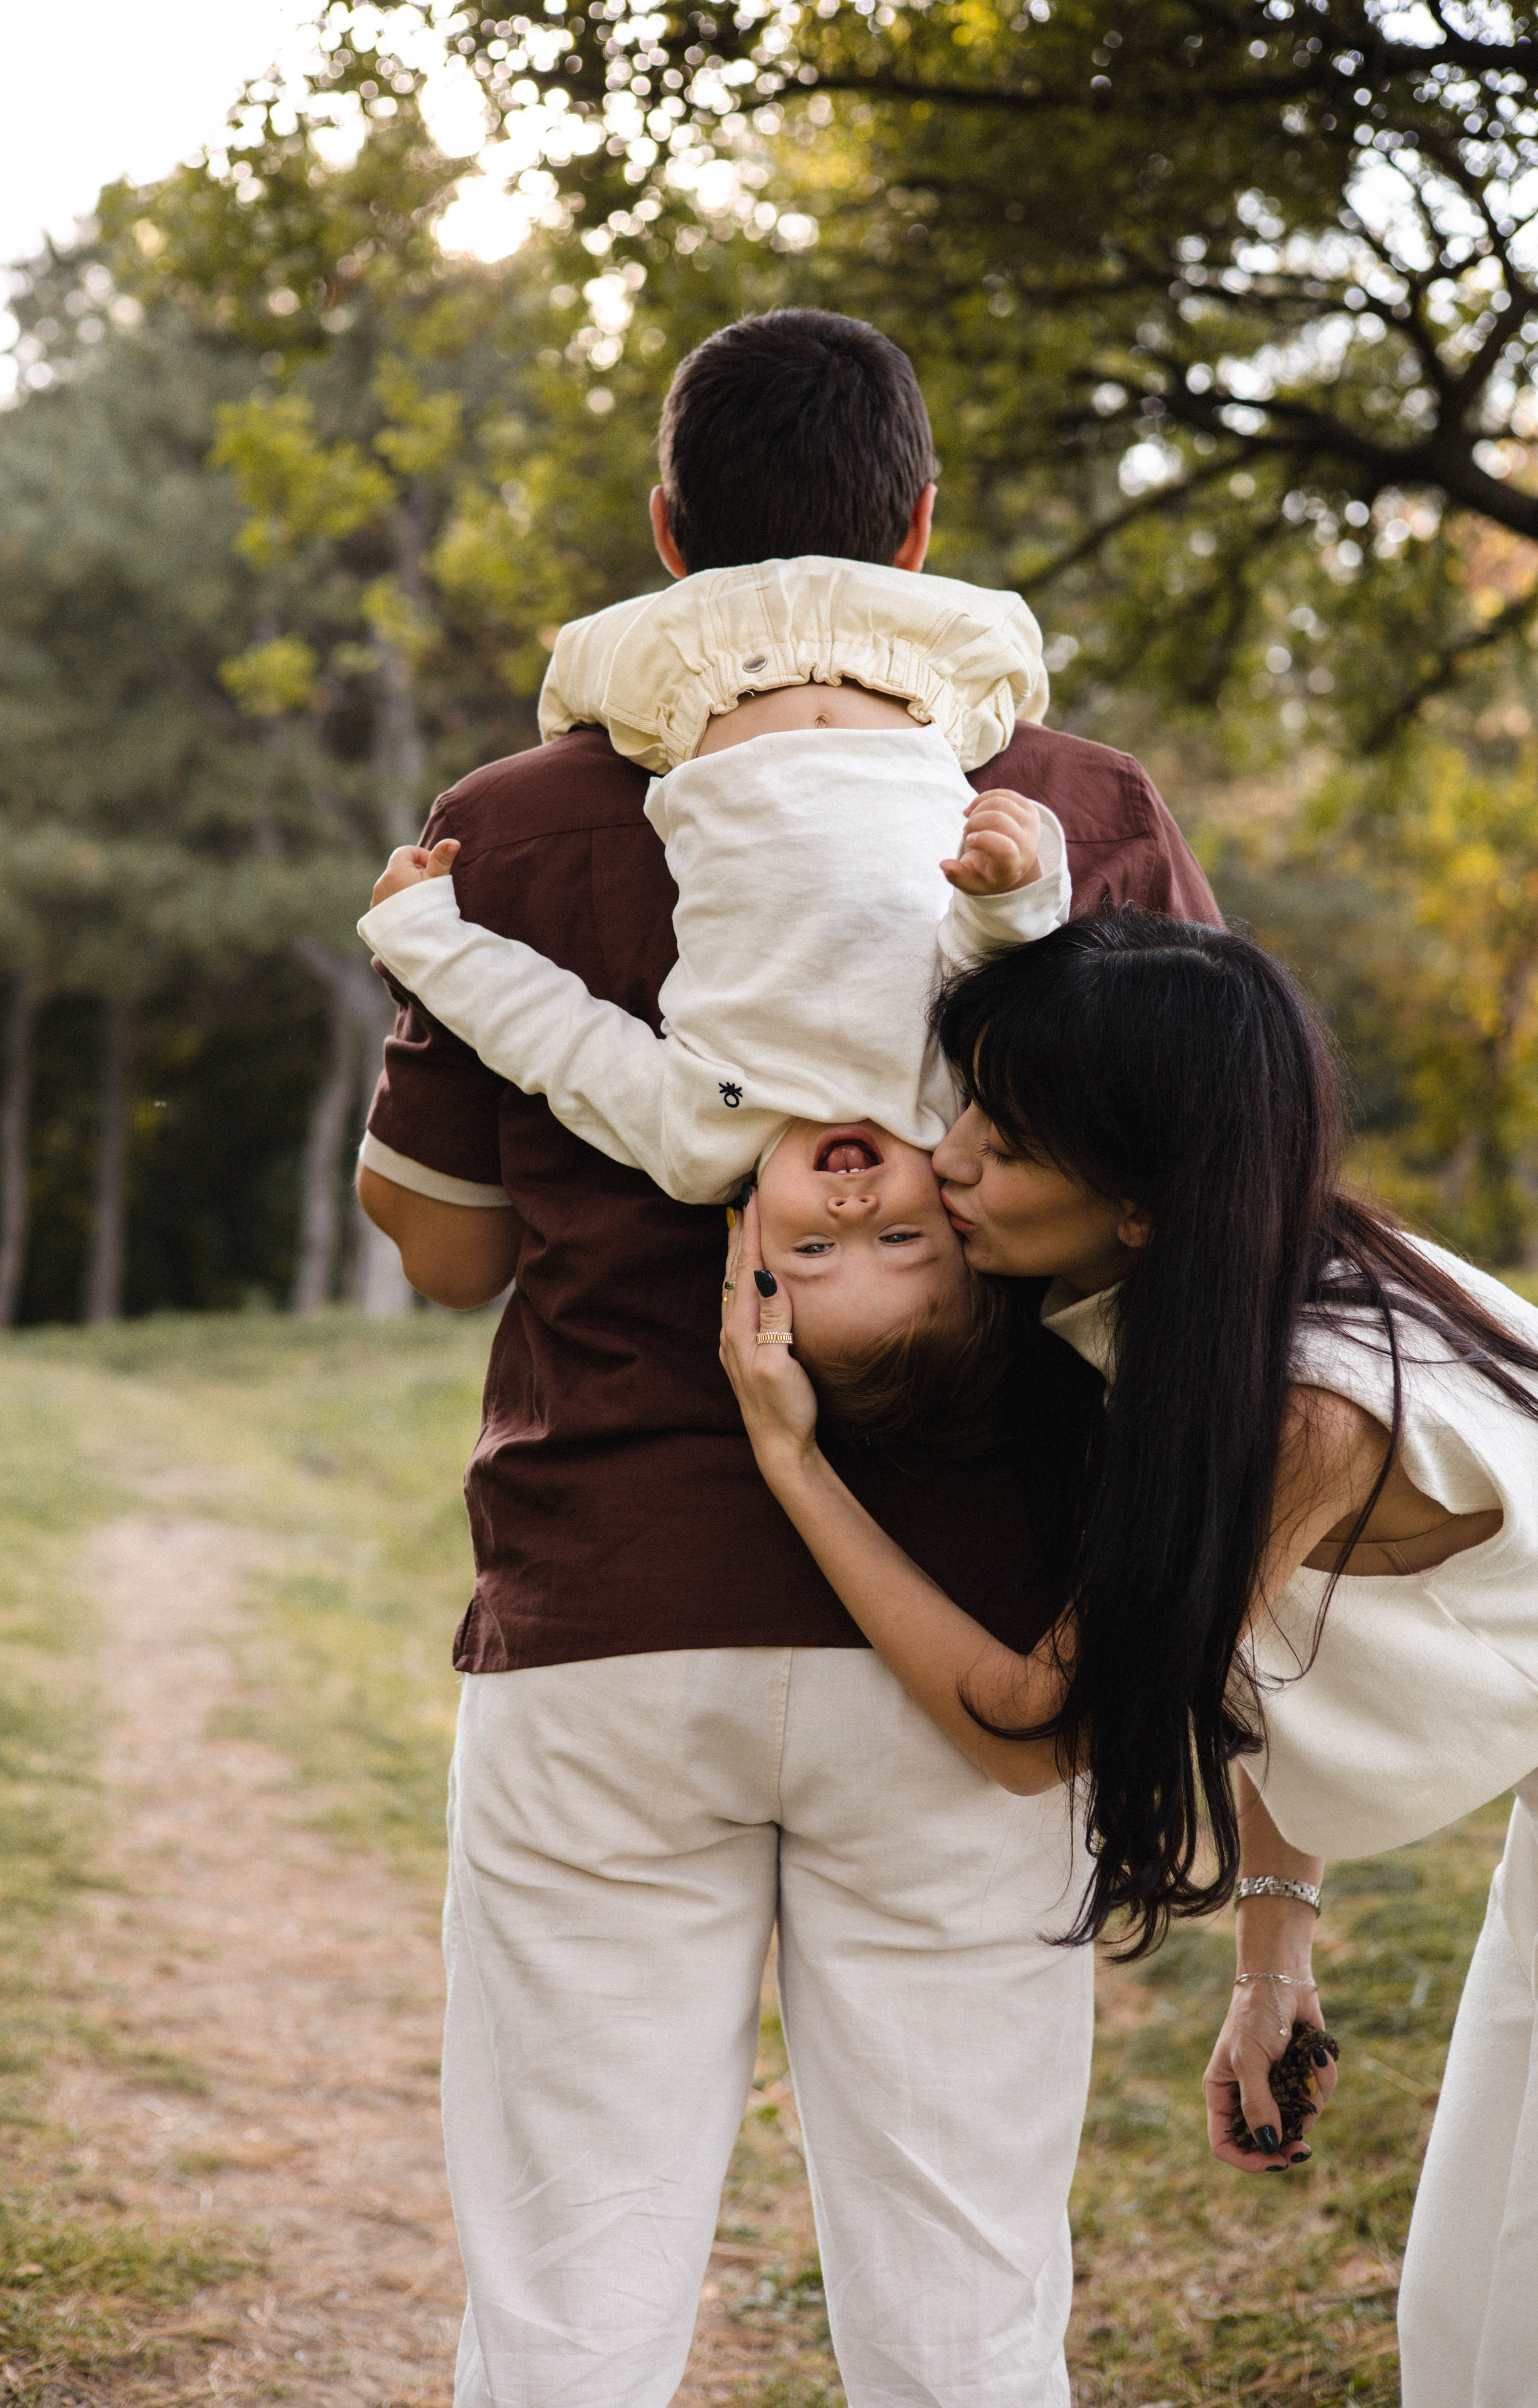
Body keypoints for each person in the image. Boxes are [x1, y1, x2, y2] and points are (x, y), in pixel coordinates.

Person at [356, 308, 1219, 2408]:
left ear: (674, 545)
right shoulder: (1078, 803)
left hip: (607, 1614)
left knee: (569, 2294)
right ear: (918, 532)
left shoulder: (525, 816)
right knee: (964, 2302)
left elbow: (443, 1248)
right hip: (975, 1627)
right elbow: (1201, 1206)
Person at [719, 906, 1538, 2408]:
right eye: (964, 1102)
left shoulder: (1304, 1405)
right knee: (1471, 2326)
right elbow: (1270, 1644)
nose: (947, 1157)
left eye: (1005, 1145)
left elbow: (1037, 1727)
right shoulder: (1221, 1298)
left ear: (1145, 1206)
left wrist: (794, 1464)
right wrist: (1273, 1955)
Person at [357, 552, 1069, 1432]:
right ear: (960, 1219)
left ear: (749, 1250)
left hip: (698, 686)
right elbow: (996, 964)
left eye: (815, 1247)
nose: (853, 1210)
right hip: (915, 676)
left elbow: (560, 1042)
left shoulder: (712, 1123)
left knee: (575, 683)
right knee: (1017, 656)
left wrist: (424, 938)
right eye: (898, 1239)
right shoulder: (950, 1091)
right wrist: (1013, 891)